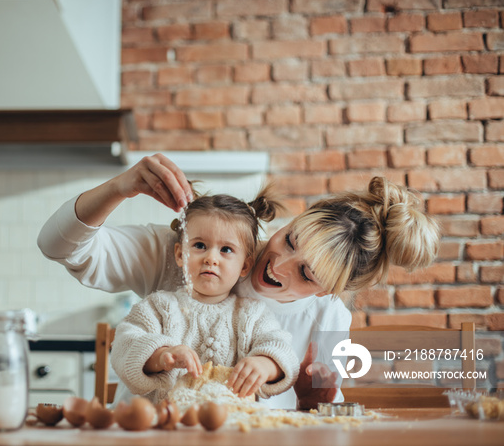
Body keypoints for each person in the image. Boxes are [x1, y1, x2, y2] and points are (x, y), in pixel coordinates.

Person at [37, 154, 440, 409]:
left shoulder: (327, 316)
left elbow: (321, 415)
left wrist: (312, 396)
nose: (277, 264)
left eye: (305, 274)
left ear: (328, 290)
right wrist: (119, 188)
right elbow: (58, 246)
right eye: (290, 239)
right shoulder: (198, 251)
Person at [110, 191, 299, 405]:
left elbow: (283, 351)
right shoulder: (159, 306)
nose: (211, 258)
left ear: (245, 265)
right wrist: (162, 356)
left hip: (233, 429)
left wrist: (266, 365)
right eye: (200, 246)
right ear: (181, 255)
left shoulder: (253, 314)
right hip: (166, 428)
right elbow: (123, 346)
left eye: (226, 249)